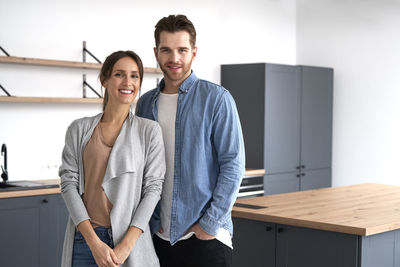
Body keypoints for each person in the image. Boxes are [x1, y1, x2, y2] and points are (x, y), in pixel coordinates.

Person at [135, 14, 245, 267]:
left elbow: (233, 165)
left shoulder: (217, 98)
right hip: (157, 236)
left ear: (194, 52)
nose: (174, 58)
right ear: (156, 52)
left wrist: (208, 225)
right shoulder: (145, 103)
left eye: (182, 50)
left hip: (205, 238)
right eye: (166, 50)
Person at [59, 50, 165, 267]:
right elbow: (68, 184)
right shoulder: (79, 129)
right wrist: (94, 243)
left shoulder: (149, 131)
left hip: (131, 242)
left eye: (135, 76)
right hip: (86, 241)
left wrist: (126, 246)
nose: (128, 82)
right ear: (104, 80)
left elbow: (153, 189)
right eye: (119, 74)